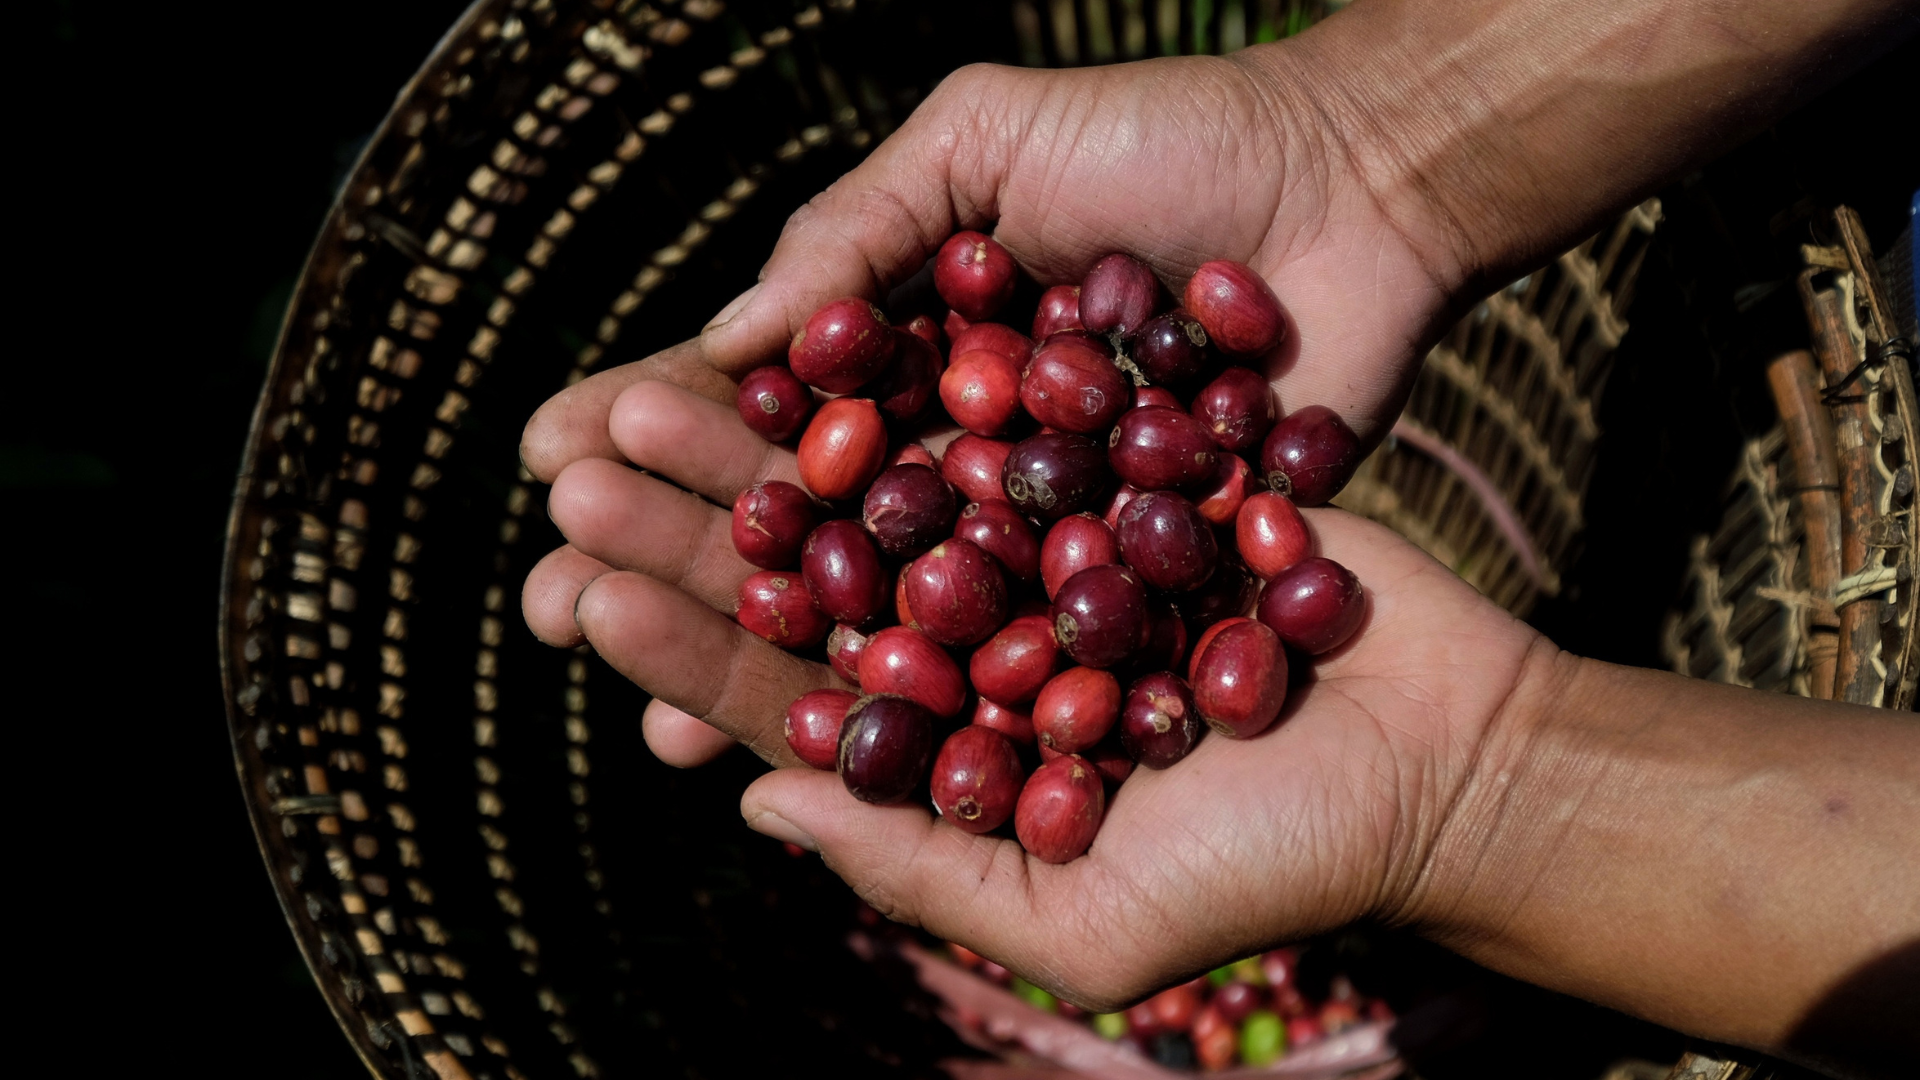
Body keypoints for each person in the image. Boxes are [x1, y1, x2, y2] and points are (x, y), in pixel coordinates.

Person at [517, 0, 1919, 1073]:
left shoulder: (1090, 502)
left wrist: (1483, 797)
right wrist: (1361, 147)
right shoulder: (1027, 522)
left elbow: (1079, 533)